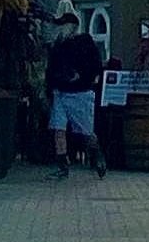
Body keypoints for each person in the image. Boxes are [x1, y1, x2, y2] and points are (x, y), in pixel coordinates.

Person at [45, 12, 107, 180]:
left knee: (86, 132)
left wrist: (82, 77)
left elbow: (95, 65)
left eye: (62, 25)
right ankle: (62, 167)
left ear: (71, 26)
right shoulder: (57, 46)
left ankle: (98, 155)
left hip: (80, 93)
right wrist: (51, 89)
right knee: (59, 129)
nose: (59, 29)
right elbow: (50, 70)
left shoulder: (84, 43)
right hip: (61, 92)